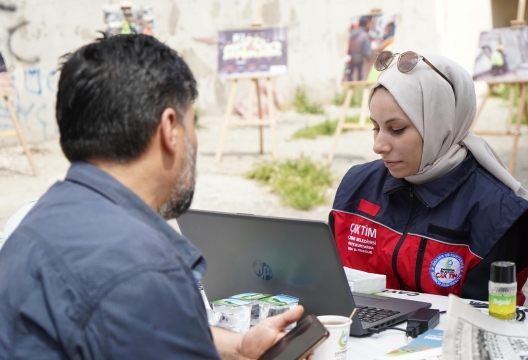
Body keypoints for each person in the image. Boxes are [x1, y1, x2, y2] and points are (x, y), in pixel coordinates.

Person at [0, 34, 304, 359]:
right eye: (193, 123)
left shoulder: (32, 225)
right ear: (170, 128)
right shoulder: (141, 271)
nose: (195, 141)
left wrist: (240, 349)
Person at [330, 51, 528, 304]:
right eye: (375, 127)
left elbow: (485, 321)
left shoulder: (497, 212)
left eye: (396, 129)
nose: (378, 146)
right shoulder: (357, 185)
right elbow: (328, 283)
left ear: (440, 124)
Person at [347, 16, 371, 81]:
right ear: (366, 24)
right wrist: (368, 57)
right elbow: (365, 51)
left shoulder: (351, 32)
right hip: (359, 58)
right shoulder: (365, 35)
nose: (370, 25)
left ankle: (349, 82)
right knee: (359, 73)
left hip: (350, 57)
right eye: (369, 23)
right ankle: (359, 84)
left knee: (350, 73)